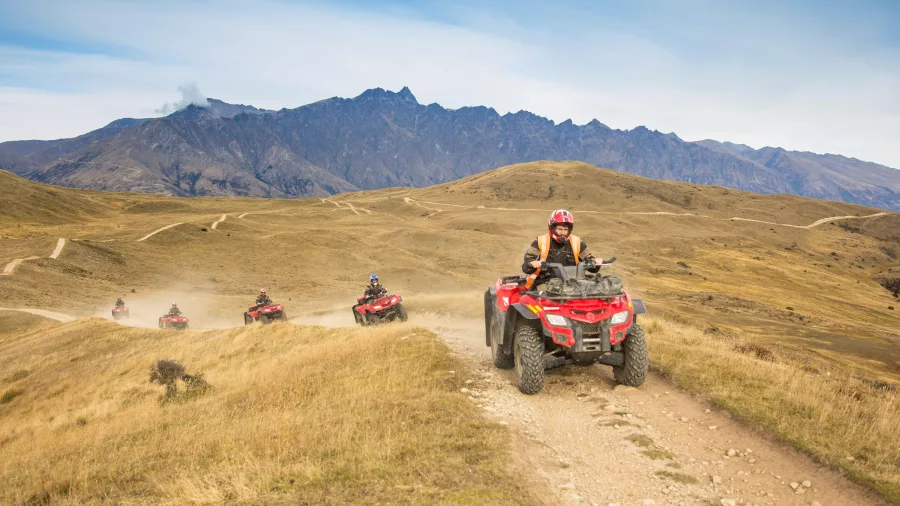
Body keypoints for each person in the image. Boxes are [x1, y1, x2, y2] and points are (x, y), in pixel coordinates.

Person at [522, 209, 602, 290]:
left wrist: (595, 262)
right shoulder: (540, 241)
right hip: (544, 284)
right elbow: (526, 266)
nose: (563, 233)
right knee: (545, 294)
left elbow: (591, 265)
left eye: (565, 230)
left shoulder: (578, 242)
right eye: (560, 229)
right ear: (552, 228)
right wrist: (532, 263)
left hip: (572, 286)